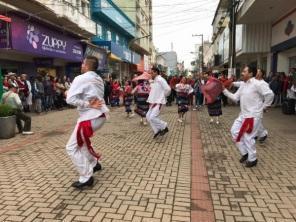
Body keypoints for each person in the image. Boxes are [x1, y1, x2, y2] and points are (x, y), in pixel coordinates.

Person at [66, 56, 109, 189]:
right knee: (82, 143)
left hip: (90, 117)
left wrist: (85, 103)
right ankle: (94, 163)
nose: (81, 65)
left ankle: (86, 177)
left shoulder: (81, 78)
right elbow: (88, 94)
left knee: (71, 148)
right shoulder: (98, 78)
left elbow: (70, 99)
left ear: (86, 65)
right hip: (100, 115)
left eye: (83, 63)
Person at [223, 65, 274, 168]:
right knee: (234, 132)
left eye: (244, 71)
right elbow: (235, 97)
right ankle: (245, 153)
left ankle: (252, 159)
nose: (242, 73)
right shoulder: (243, 84)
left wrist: (264, 106)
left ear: (250, 74)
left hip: (252, 116)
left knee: (248, 136)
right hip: (242, 115)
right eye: (242, 71)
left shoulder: (258, 84)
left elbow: (270, 95)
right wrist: (224, 90)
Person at [146, 67, 171, 138]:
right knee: (148, 116)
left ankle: (164, 126)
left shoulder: (160, 79)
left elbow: (168, 89)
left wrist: (163, 96)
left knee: (152, 117)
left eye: (152, 73)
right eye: (150, 73)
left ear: (156, 72)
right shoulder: (155, 80)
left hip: (159, 102)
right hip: (154, 102)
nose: (151, 74)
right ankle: (157, 130)